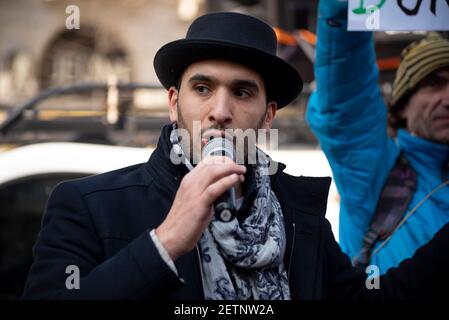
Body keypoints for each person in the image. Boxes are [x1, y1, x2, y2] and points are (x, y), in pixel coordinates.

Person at [23, 12, 449, 300]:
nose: (221, 112)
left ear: (266, 116)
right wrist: (165, 243)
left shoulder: (298, 215)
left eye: (242, 92)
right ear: (174, 103)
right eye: (202, 88)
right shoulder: (89, 204)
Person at [307, 0, 449, 273]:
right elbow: (346, 99)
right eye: (433, 84)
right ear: (402, 108)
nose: (447, 98)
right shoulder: (373, 169)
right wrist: (343, 10)